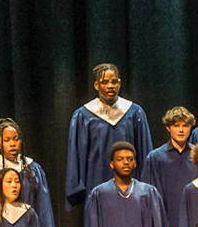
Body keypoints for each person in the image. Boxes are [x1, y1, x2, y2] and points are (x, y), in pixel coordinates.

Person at [65, 63, 153, 209]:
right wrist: (76, 188)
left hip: (131, 186)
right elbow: (76, 155)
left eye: (114, 81)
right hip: (95, 182)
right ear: (96, 85)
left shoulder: (134, 112)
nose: (110, 86)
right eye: (105, 82)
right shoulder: (84, 115)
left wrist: (147, 185)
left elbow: (144, 152)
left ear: (119, 83)